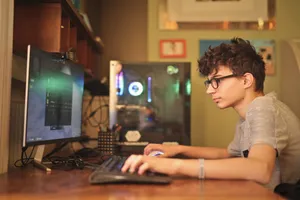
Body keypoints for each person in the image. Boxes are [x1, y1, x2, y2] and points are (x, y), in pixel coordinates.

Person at [121, 37, 300, 190]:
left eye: (217, 81)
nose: (209, 91)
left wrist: (173, 165)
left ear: (246, 80)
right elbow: (228, 154)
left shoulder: (263, 108)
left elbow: (260, 169)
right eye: (209, 82)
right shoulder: (249, 115)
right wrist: (176, 149)